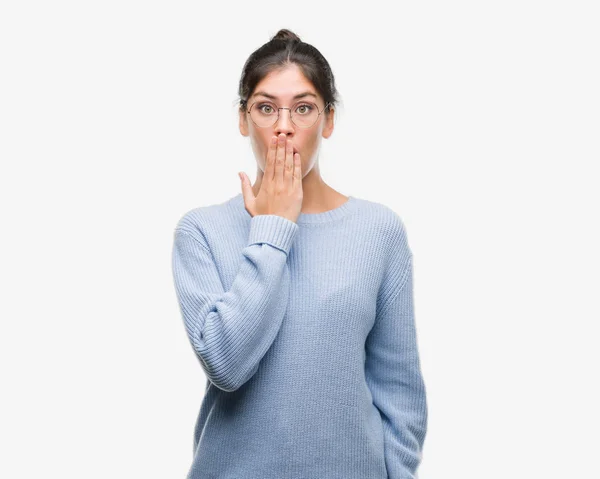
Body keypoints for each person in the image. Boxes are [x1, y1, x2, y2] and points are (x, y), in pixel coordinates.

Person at [171, 28, 428, 479]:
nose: (283, 125)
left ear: (328, 121)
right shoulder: (201, 231)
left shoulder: (378, 231)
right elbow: (226, 365)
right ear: (242, 119)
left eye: (303, 108)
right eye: (266, 107)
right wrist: (274, 227)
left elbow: (399, 392)